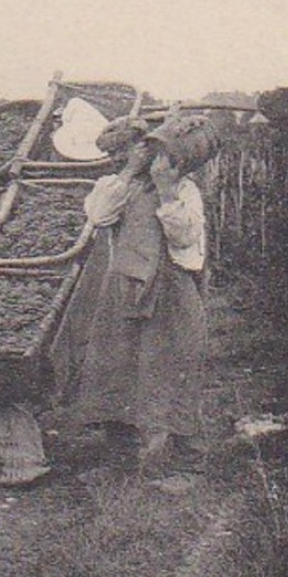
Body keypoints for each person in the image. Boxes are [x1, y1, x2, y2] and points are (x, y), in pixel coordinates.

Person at [69, 113, 214, 487]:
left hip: (171, 291)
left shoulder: (184, 191)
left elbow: (184, 239)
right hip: (125, 288)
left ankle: (186, 463)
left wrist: (166, 190)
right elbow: (99, 216)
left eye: (158, 155)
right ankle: (120, 458)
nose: (150, 160)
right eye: (144, 153)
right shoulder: (119, 185)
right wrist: (129, 173)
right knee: (114, 369)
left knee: (174, 370)